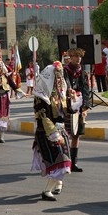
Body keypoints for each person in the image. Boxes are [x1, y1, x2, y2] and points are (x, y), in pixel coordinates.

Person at [31, 62, 75, 201]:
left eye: (61, 75)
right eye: (57, 75)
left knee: (65, 160)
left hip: (60, 129)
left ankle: (58, 183)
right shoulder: (41, 95)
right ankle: (46, 191)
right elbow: (42, 115)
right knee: (60, 160)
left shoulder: (60, 92)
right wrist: (53, 134)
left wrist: (74, 101)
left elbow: (67, 110)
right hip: (47, 132)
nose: (60, 78)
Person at [63, 48, 91, 172]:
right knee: (64, 135)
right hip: (66, 106)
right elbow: (64, 87)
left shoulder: (83, 73)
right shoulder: (64, 71)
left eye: (80, 56)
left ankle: (73, 163)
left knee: (76, 134)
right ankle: (64, 162)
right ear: (70, 57)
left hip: (79, 107)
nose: (78, 58)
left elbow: (86, 91)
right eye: (75, 56)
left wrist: (85, 107)